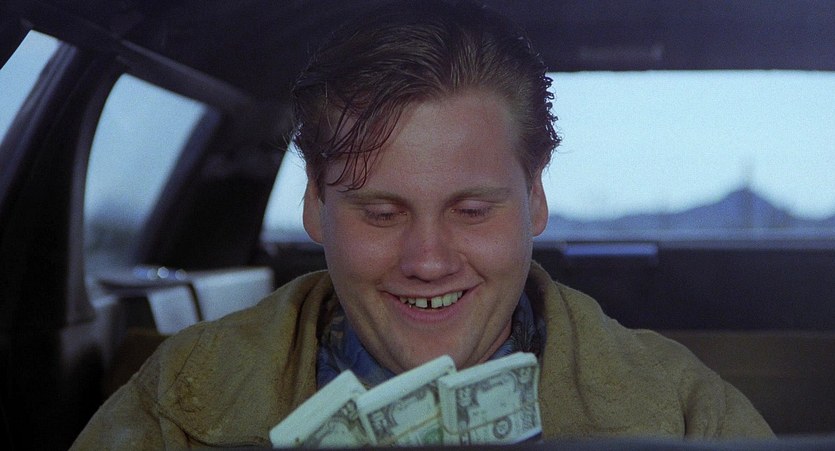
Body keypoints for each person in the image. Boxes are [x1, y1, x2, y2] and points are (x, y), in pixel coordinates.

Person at [71, 0, 773, 448]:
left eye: (472, 210)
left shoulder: (687, 414)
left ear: (534, 198)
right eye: (382, 213)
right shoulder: (179, 405)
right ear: (315, 204)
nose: (429, 260)